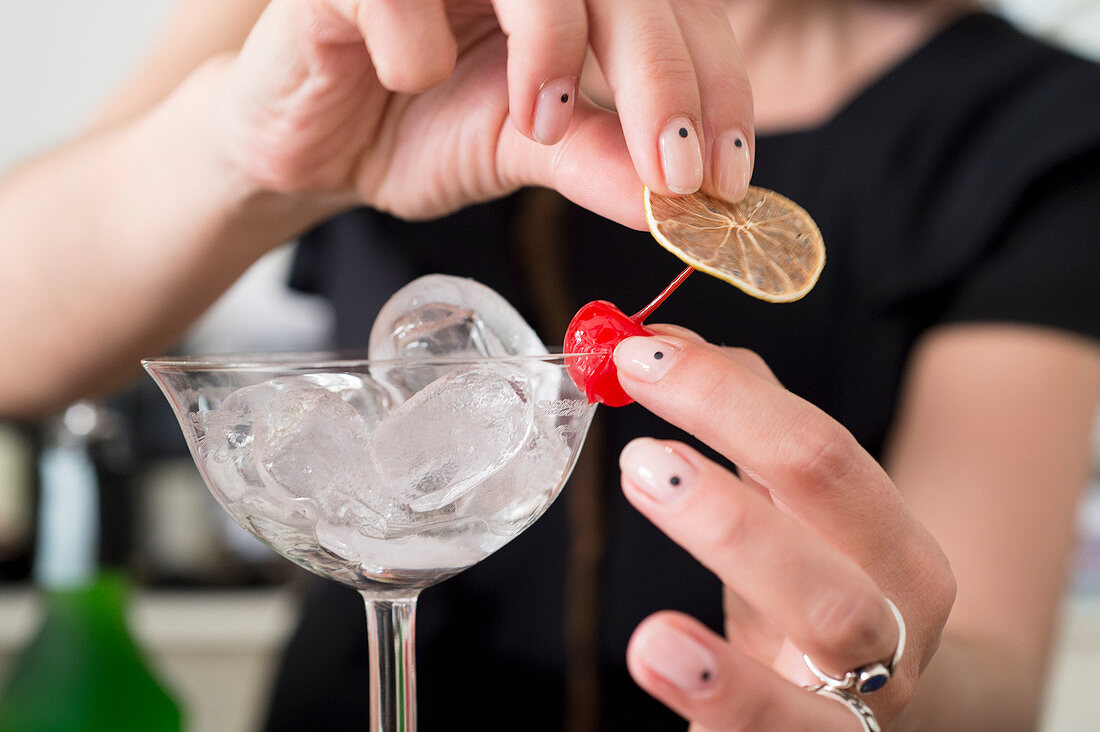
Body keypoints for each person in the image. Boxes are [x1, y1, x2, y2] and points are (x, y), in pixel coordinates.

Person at [1, 1, 1098, 730]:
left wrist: (868, 686)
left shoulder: (1031, 130)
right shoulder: (365, 16)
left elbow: (985, 673)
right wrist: (248, 159)